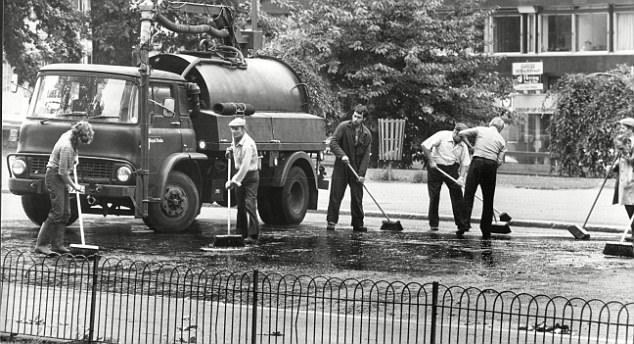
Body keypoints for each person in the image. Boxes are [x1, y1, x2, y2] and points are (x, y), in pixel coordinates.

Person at [34, 121, 94, 255]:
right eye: (82, 141)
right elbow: (62, 172)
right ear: (77, 137)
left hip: (60, 175)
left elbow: (71, 158)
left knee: (66, 213)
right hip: (54, 176)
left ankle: (57, 245)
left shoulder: (70, 135)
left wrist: (75, 158)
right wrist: (75, 186)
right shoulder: (67, 147)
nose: (81, 144)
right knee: (57, 212)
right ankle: (41, 245)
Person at [458, 117, 507, 239]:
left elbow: (461, 133)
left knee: (469, 194)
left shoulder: (480, 130)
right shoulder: (501, 140)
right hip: (491, 165)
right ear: (500, 129)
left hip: (477, 162)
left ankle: (463, 225)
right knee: (488, 198)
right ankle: (486, 229)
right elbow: (499, 161)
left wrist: (470, 146)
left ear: (490, 123)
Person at [326, 104, 372, 232]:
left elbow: (366, 157)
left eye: (358, 117)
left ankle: (358, 224)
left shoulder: (367, 134)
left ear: (364, 119)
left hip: (356, 169)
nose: (355, 119)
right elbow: (333, 142)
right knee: (336, 195)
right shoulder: (343, 127)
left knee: (357, 197)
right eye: (354, 116)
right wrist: (342, 155)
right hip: (341, 167)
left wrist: (362, 174)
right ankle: (331, 221)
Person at [421, 123, 471, 232]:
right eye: (461, 137)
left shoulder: (463, 145)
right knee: (434, 195)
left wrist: (461, 177)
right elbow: (425, 145)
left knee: (457, 193)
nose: (462, 140)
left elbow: (465, 163)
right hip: (436, 168)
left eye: (464, 138)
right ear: (455, 132)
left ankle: (462, 224)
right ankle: (433, 224)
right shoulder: (442, 136)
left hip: (452, 168)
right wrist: (431, 161)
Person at [225, 117, 260, 244]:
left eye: (237, 129)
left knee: (249, 203)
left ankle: (253, 234)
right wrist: (229, 152)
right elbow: (234, 151)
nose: (234, 131)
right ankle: (241, 233)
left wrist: (234, 181)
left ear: (243, 129)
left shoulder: (248, 145)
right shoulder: (235, 140)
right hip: (239, 173)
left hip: (250, 176)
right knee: (240, 205)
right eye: (232, 129)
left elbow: (245, 167)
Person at [612, 115, 634, 241]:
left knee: (631, 206)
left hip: (632, 178)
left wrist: (625, 154)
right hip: (625, 179)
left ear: (631, 129)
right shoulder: (625, 142)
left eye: (624, 128)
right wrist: (616, 165)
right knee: (628, 205)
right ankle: (633, 233)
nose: (621, 130)